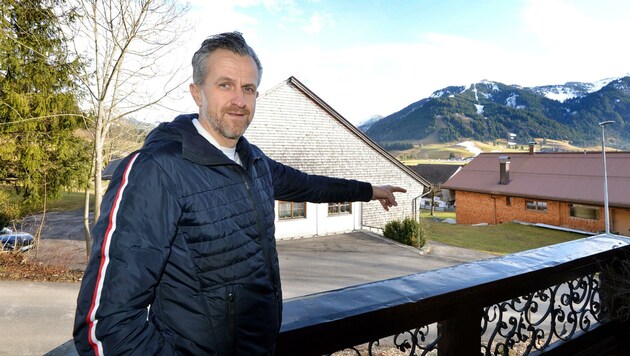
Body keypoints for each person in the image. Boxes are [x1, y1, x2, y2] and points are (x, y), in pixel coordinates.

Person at [73, 31, 406, 355]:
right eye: (225, 85)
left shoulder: (253, 161)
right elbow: (106, 327)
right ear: (196, 92)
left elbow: (310, 185)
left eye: (249, 88)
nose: (239, 100)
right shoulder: (158, 170)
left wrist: (371, 191)